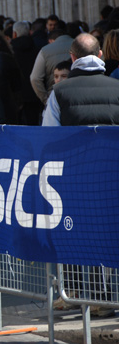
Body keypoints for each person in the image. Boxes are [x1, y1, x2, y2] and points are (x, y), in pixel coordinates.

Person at [42, 33, 119, 318]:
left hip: (72, 176)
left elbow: (48, 137)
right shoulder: (117, 87)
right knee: (107, 233)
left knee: (72, 231)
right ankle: (102, 298)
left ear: (73, 59)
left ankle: (73, 292)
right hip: (112, 174)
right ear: (100, 56)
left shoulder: (59, 93)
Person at [29, 28, 74, 105]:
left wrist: (45, 99)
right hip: (77, 94)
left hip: (54, 97)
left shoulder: (45, 50)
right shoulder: (81, 46)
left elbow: (35, 78)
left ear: (51, 40)